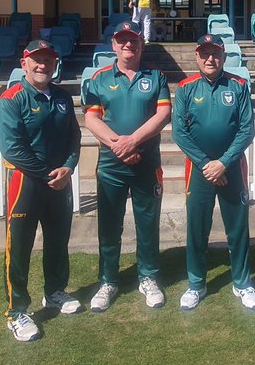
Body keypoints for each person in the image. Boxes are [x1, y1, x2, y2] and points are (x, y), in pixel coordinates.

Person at [0, 39, 83, 342]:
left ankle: (54, 291)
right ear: (24, 64)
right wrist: (47, 175)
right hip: (26, 184)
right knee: (19, 248)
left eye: (48, 59)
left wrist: (68, 167)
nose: (43, 65)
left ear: (55, 64)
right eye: (37, 60)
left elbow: (74, 135)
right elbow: (13, 149)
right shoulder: (11, 99)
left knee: (58, 241)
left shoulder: (61, 97)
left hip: (59, 181)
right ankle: (16, 311)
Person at [82, 21, 172, 311]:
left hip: (147, 163)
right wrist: (118, 145)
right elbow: (91, 119)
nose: (128, 45)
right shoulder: (99, 78)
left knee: (148, 224)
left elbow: (164, 114)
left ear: (141, 44)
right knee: (109, 226)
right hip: (111, 164)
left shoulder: (156, 76)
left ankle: (148, 277)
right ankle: (108, 280)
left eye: (133, 40)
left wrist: (132, 141)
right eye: (122, 40)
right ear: (113, 45)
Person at [172, 34, 255, 310]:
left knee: (237, 229)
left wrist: (223, 162)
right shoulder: (186, 88)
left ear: (223, 57)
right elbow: (179, 132)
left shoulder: (239, 85)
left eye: (216, 54)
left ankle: (243, 283)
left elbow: (247, 130)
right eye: (205, 53)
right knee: (197, 229)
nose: (210, 59)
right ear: (197, 56)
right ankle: (196, 284)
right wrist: (206, 164)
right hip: (198, 170)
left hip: (232, 168)